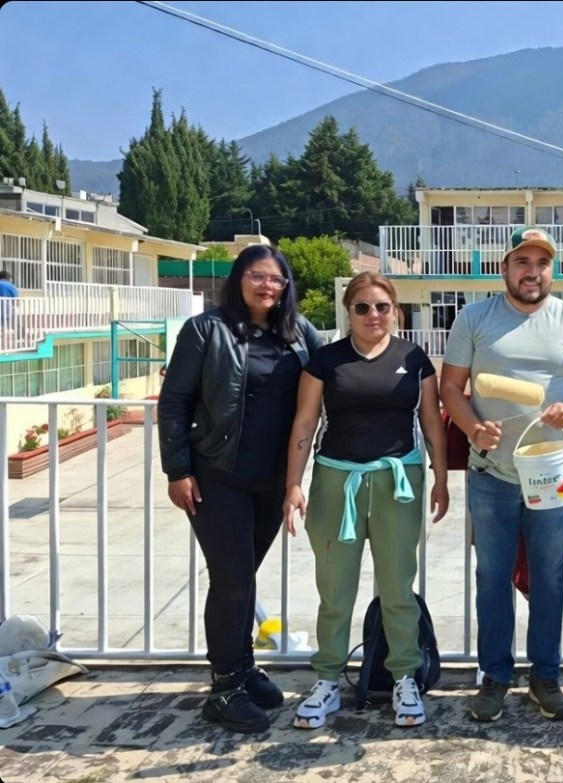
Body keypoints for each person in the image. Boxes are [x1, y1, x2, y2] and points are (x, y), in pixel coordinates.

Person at [440, 226, 563, 722]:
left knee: (549, 578)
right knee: (491, 577)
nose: (532, 273)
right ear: (504, 268)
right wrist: (472, 429)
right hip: (491, 472)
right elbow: (451, 387)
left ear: (551, 270)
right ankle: (494, 677)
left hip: (552, 473)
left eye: (541, 263)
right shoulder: (475, 317)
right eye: (522, 262)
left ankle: (545, 677)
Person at [158, 244, 323, 733]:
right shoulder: (205, 330)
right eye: (257, 276)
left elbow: (333, 373)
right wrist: (177, 470)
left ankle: (244, 666)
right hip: (217, 476)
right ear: (239, 279)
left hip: (273, 480)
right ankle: (224, 686)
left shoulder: (298, 333)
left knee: (244, 577)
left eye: (277, 279)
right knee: (230, 580)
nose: (267, 286)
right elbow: (175, 404)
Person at [284, 272, 448, 730]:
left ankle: (404, 678)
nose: (373, 315)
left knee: (398, 589)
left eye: (382, 307)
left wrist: (440, 478)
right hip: (338, 483)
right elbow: (304, 424)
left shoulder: (414, 359)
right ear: (348, 312)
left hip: (399, 482)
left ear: (395, 310)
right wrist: (293, 485)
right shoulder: (326, 360)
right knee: (335, 590)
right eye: (362, 308)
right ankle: (328, 680)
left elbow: (432, 421)